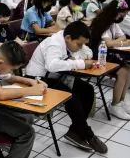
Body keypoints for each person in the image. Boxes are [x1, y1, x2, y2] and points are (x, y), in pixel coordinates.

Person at [25, 21, 108, 153]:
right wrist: (80, 63)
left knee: (87, 90)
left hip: (57, 76)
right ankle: (87, 134)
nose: (81, 47)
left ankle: (75, 131)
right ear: (68, 38)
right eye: (79, 44)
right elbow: (51, 65)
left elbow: (87, 52)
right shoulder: (54, 43)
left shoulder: (69, 40)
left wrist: (79, 57)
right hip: (37, 80)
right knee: (71, 97)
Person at [90, 0, 130, 120]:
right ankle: (114, 105)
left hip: (107, 54)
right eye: (121, 15)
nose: (122, 17)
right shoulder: (101, 23)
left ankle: (121, 101)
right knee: (123, 72)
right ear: (114, 12)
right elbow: (109, 43)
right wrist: (121, 43)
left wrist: (119, 41)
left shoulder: (112, 23)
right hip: (97, 56)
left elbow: (122, 37)